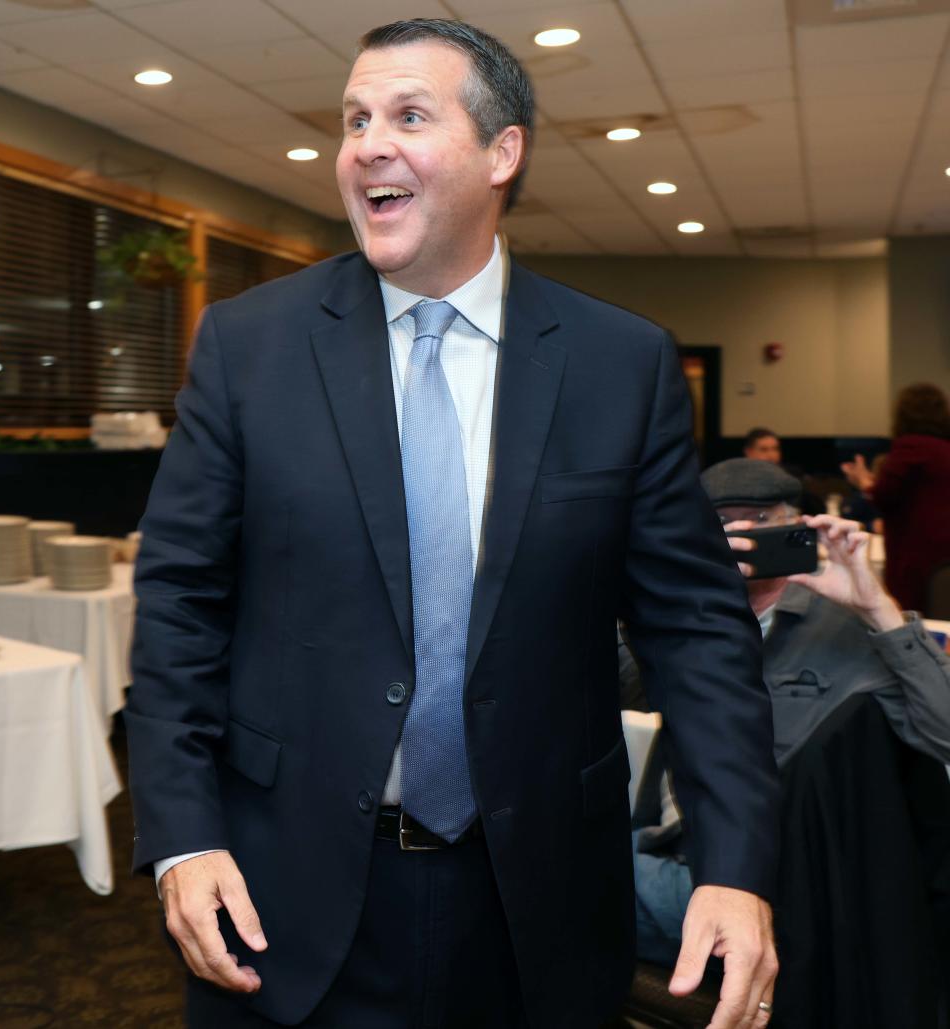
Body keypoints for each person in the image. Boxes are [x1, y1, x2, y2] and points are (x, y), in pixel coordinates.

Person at [125, 19, 779, 1029]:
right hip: (280, 894)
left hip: (536, 907)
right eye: (354, 119)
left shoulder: (620, 365)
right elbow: (179, 603)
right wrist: (180, 836)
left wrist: (735, 868)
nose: (367, 144)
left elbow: (697, 635)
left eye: (408, 115)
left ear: (501, 151)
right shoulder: (249, 349)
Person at [630, 457, 950, 965]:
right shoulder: (687, 622)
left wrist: (876, 608)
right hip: (671, 843)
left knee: (558, 876)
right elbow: (598, 684)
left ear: (797, 529)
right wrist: (658, 583)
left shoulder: (846, 626)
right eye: (722, 523)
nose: (741, 535)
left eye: (759, 521)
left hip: (770, 885)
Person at [841, 382, 950, 613]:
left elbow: (883, 496)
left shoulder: (909, 449)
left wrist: (864, 483)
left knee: (910, 614)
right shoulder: (945, 449)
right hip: (944, 552)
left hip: (915, 550)